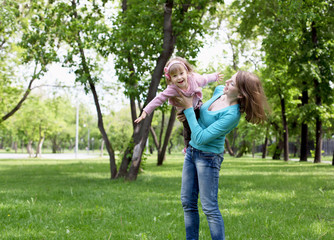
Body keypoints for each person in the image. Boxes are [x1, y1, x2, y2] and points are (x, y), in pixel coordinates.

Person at [172, 71, 268, 240]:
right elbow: (198, 110)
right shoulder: (218, 91)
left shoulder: (232, 115)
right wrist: (189, 111)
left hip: (208, 158)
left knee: (209, 207)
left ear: (240, 94)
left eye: (232, 83)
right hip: (192, 153)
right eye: (231, 77)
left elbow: (201, 138)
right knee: (187, 203)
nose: (228, 81)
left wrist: (188, 110)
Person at [134, 56, 223, 152]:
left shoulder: (194, 78)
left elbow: (205, 78)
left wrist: (215, 76)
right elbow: (158, 99)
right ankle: (188, 148)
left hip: (197, 106)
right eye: (174, 76)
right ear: (170, 79)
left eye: (181, 73)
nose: (179, 77)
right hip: (184, 112)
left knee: (204, 121)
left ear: (187, 72)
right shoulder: (172, 89)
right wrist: (145, 111)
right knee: (188, 129)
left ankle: (209, 144)